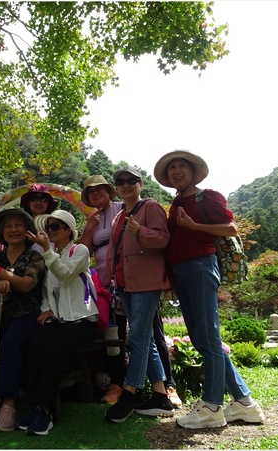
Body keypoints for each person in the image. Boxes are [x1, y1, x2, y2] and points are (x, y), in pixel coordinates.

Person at [153, 150, 266, 429]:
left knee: (209, 339)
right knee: (202, 338)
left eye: (182, 166)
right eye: (171, 168)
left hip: (201, 266)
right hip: (182, 272)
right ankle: (244, 403)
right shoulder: (176, 203)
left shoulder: (208, 197)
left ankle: (211, 407)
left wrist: (194, 225)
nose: (176, 171)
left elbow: (231, 228)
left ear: (193, 171)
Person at [79, 175, 182, 408]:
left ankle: (165, 386)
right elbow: (84, 251)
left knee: (149, 332)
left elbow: (158, 237)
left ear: (110, 191)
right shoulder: (94, 218)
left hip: (141, 278)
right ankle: (119, 383)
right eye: (90, 192)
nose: (96, 193)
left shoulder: (125, 208)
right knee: (115, 335)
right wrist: (89, 228)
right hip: (111, 282)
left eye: (100, 189)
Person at [17, 210, 99, 436]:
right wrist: (47, 309)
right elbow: (47, 291)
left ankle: (45, 409)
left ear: (69, 231)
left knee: (54, 344)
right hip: (62, 320)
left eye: (55, 226)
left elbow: (64, 274)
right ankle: (33, 404)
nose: (50, 231)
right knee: (36, 341)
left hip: (84, 320)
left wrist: (46, 250)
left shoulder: (79, 250)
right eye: (49, 227)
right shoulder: (50, 255)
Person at [103, 166, 175, 423]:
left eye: (131, 180)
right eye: (121, 182)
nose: (126, 185)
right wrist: (108, 281)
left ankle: (130, 393)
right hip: (125, 284)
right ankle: (160, 395)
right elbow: (112, 253)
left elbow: (164, 238)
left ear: (140, 184)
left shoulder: (150, 207)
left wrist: (141, 232)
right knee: (146, 338)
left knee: (138, 337)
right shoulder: (118, 217)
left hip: (146, 282)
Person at [0, 208, 46, 432]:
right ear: (2, 232)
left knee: (10, 342)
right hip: (1, 312)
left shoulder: (35, 257)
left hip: (28, 314)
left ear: (27, 230)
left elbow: (26, 284)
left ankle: (9, 402)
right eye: (8, 226)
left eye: (18, 225)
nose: (13, 230)